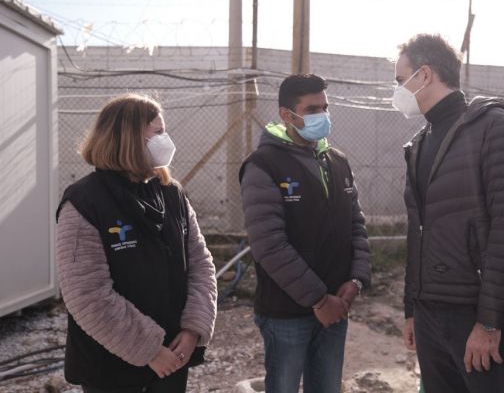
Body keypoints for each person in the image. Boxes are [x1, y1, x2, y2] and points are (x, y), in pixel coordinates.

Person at [393, 34, 504, 392]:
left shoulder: (495, 128)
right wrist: (412, 309)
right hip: (430, 317)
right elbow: (419, 233)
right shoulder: (419, 143)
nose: (396, 90)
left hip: (477, 318)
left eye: (400, 80)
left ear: (425, 75)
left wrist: (489, 322)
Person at [55, 93, 218, 393]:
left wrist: (193, 329)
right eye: (158, 132)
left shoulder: (171, 193)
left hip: (174, 356)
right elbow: (86, 294)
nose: (165, 139)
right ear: (128, 138)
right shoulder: (84, 201)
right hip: (112, 366)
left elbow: (201, 264)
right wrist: (150, 350)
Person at [239, 73, 371, 393]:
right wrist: (318, 300)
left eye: (325, 108)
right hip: (286, 314)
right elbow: (269, 245)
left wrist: (356, 280)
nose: (322, 116)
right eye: (312, 110)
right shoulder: (263, 165)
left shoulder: (337, 161)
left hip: (337, 307)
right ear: (286, 115)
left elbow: (356, 224)